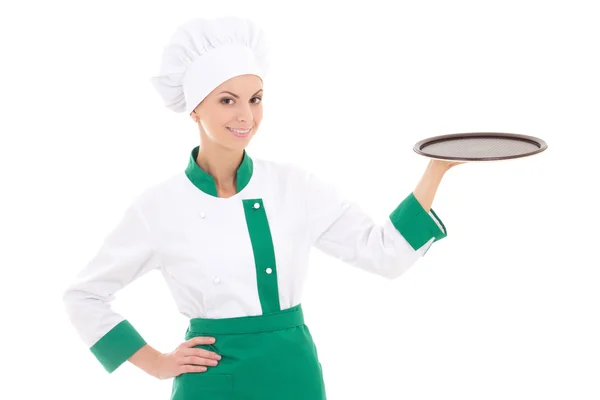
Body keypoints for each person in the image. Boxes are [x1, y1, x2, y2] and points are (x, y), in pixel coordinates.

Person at [62, 15, 462, 400]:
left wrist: (436, 171)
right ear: (194, 108)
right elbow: (84, 295)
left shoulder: (296, 187)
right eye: (227, 100)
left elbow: (384, 255)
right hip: (210, 381)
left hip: (294, 376)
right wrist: (155, 363)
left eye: (255, 99)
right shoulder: (159, 207)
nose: (245, 116)